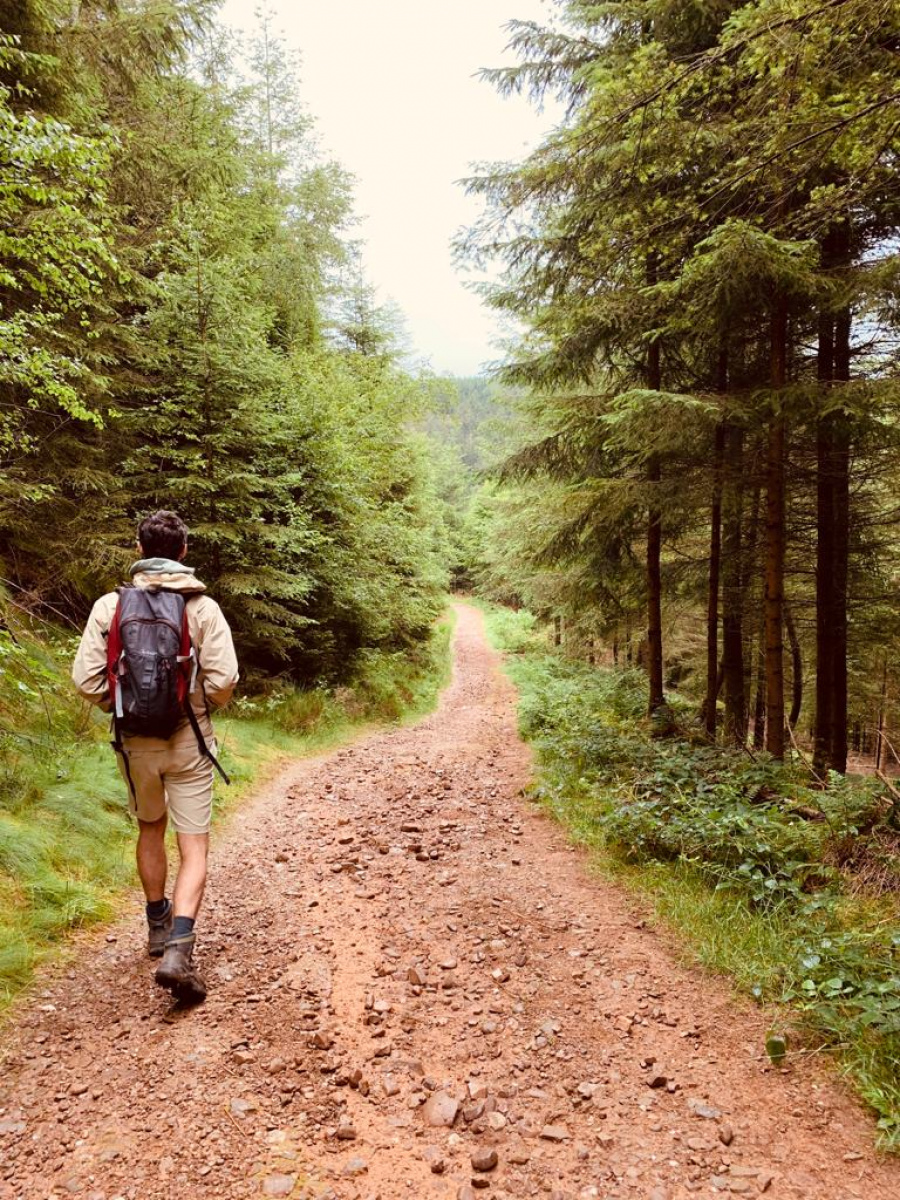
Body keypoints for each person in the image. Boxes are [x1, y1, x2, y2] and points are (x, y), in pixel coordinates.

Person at [72, 511, 238, 1002]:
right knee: (194, 847)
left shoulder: (110, 606)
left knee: (150, 827)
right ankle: (180, 950)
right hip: (189, 738)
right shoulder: (201, 608)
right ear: (183, 551)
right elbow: (224, 678)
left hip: (134, 743)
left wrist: (118, 705)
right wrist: (200, 705)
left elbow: (85, 680)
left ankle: (156, 926)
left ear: (140, 549)